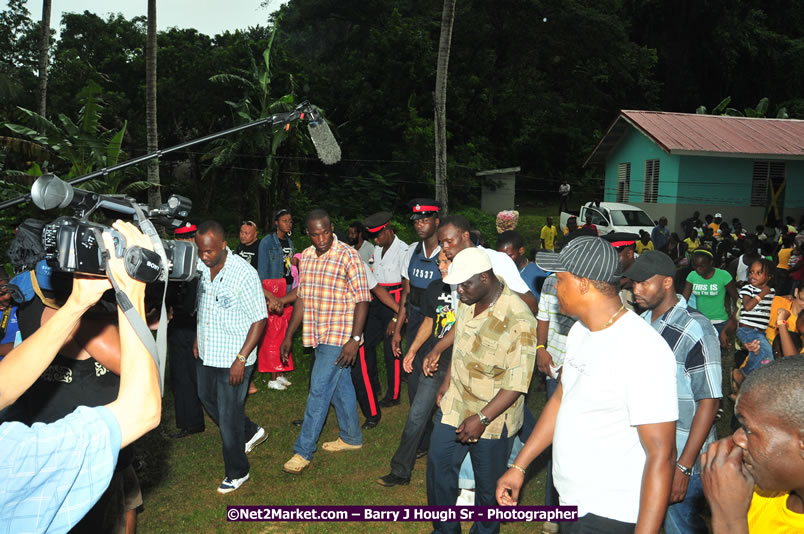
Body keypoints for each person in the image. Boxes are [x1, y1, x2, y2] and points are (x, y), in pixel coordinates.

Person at [497, 236, 678, 534]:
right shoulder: (581, 332)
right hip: (571, 504)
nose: (553, 285)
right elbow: (561, 399)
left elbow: (662, 454)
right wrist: (519, 465)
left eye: (560, 278)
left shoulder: (642, 349)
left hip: (611, 515)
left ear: (583, 283)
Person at [0, 221, 161, 531]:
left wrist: (78, 302)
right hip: (79, 450)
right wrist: (132, 294)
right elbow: (142, 407)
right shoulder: (15, 462)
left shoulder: (34, 309)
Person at [427, 247, 537, 534]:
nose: (459, 291)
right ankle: (445, 530)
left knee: (489, 492)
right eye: (457, 285)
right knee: (438, 468)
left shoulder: (519, 318)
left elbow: (516, 384)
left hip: (493, 415)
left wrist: (482, 419)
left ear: (486, 278)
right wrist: (447, 381)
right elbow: (462, 341)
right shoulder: (468, 298)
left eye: (464, 284)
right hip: (456, 401)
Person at [625, 251, 722, 534]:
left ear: (667, 283)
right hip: (648, 449)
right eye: (634, 283)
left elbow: (710, 400)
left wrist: (684, 467)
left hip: (683, 453)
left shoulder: (697, 328)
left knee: (679, 525)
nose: (636, 289)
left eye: (644, 283)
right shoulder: (641, 323)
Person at [280, 209, 370, 474]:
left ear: (332, 228)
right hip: (318, 333)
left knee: (318, 390)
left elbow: (363, 299)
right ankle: (352, 437)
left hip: (340, 334)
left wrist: (354, 339)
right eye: (315, 234)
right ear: (308, 233)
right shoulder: (305, 257)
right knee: (340, 386)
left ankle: (302, 451)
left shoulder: (348, 255)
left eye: (326, 232)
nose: (321, 238)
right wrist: (288, 335)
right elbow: (302, 299)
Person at [194, 220, 268, 494]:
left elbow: (259, 320)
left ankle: (238, 471)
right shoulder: (201, 267)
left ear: (224, 245)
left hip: (234, 356)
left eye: (210, 251)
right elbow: (203, 306)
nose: (205, 256)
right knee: (205, 397)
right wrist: (196, 339)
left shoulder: (244, 274)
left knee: (227, 416)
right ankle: (249, 431)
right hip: (207, 349)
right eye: (201, 250)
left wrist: (241, 358)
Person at [700, 356, 804, 533]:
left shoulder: (740, 507)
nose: (737, 438)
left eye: (747, 429)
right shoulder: (756, 493)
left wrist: (729, 520)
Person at [378, 250, 454, 487]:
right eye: (438, 261)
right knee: (416, 417)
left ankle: (457, 477)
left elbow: (463, 327)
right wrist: (412, 351)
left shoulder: (469, 289)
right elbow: (430, 322)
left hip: (461, 366)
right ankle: (401, 471)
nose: (439, 265)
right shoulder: (435, 288)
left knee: (453, 424)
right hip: (434, 364)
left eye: (444, 261)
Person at [392, 199, 442, 410]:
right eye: (416, 221)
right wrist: (397, 329)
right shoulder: (411, 252)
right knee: (412, 374)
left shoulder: (449, 252)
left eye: (425, 220)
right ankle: (421, 432)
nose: (419, 224)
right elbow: (406, 293)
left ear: (437, 221)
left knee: (437, 376)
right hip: (414, 321)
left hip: (440, 324)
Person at [358, 211, 408, 418]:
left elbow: (406, 286)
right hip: (377, 300)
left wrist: (397, 317)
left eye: (379, 235)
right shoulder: (377, 250)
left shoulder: (403, 250)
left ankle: (394, 394)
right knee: (365, 343)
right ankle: (374, 384)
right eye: (374, 237)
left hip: (396, 300)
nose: (376, 240)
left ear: (388, 229)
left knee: (391, 349)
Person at [166, 223, 205, 439]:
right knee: (184, 374)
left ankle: (193, 421)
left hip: (192, 324)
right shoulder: (182, 261)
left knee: (189, 375)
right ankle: (191, 420)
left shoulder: (197, 263)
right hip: (182, 323)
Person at [256, 209, 296, 391]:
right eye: (284, 221)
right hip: (273, 290)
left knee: (283, 331)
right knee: (273, 334)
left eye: (290, 221)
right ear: (276, 223)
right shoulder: (266, 242)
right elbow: (262, 272)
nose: (288, 224)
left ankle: (280, 373)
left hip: (287, 289)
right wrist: (268, 294)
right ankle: (272, 377)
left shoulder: (289, 241)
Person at [682, 248, 739, 346]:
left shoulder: (723, 276)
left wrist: (734, 319)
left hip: (719, 322)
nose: (698, 269)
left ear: (711, 263)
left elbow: (736, 299)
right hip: (699, 321)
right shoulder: (692, 276)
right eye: (695, 266)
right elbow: (683, 301)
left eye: (701, 266)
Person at [734, 259, 775, 383]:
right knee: (768, 356)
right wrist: (762, 294)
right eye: (751, 272)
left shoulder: (771, 291)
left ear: (769, 276)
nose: (753, 275)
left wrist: (788, 297)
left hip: (760, 332)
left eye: (758, 273)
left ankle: (747, 383)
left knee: (758, 355)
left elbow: (776, 300)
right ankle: (742, 373)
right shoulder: (747, 288)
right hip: (747, 329)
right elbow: (747, 306)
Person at [497, 230, 549, 301]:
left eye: (509, 256)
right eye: (500, 257)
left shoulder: (539, 278)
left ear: (521, 251)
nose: (504, 260)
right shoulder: (500, 272)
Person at [602, 232, 639, 311]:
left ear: (629, 254)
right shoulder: (606, 275)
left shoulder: (643, 279)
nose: (611, 260)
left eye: (616, 256)